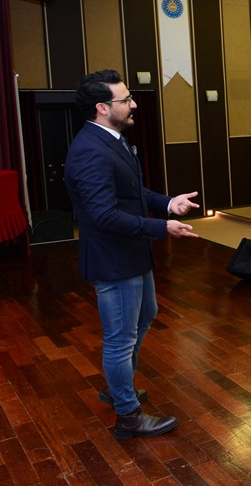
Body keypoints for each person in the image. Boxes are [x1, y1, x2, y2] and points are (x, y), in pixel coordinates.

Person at [64, 70, 199, 439]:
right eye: (125, 100)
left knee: (146, 316)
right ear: (102, 108)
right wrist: (161, 227)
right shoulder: (90, 150)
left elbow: (132, 194)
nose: (133, 104)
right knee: (120, 338)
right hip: (114, 259)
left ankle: (117, 387)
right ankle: (127, 416)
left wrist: (168, 203)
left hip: (131, 253)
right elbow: (103, 215)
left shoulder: (111, 139)